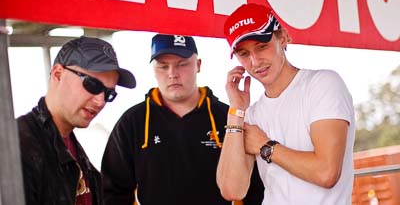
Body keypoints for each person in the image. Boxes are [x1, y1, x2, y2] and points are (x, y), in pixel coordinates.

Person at [216, 3, 356, 204]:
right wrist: (236, 111)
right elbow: (232, 190)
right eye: (244, 54)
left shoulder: (323, 84)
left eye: (262, 46)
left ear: (282, 38)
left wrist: (266, 147)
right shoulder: (252, 114)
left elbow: (326, 173)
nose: (255, 61)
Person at [101, 34, 264, 205]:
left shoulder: (229, 118)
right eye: (163, 67)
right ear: (153, 69)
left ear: (198, 65)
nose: (173, 74)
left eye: (182, 64)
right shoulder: (132, 122)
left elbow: (255, 190)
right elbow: (113, 191)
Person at [17, 36, 136, 205]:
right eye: (92, 85)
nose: (100, 101)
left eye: (109, 94)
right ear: (58, 74)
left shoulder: (69, 146)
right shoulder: (18, 147)